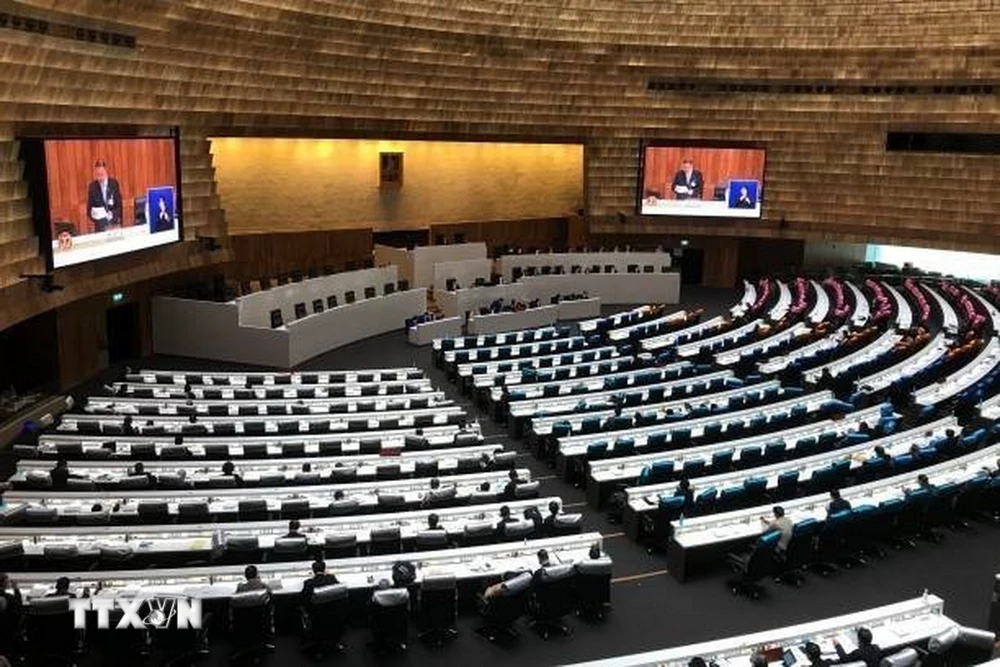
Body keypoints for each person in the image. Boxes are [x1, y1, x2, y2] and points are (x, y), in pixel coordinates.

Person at [87, 159, 123, 232]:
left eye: (102, 174)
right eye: (98, 174)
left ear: (106, 171)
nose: (100, 177)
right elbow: (89, 209)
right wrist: (93, 215)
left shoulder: (114, 184)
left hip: (114, 224)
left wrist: (113, 215)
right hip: (100, 226)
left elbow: (119, 206)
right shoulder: (92, 187)